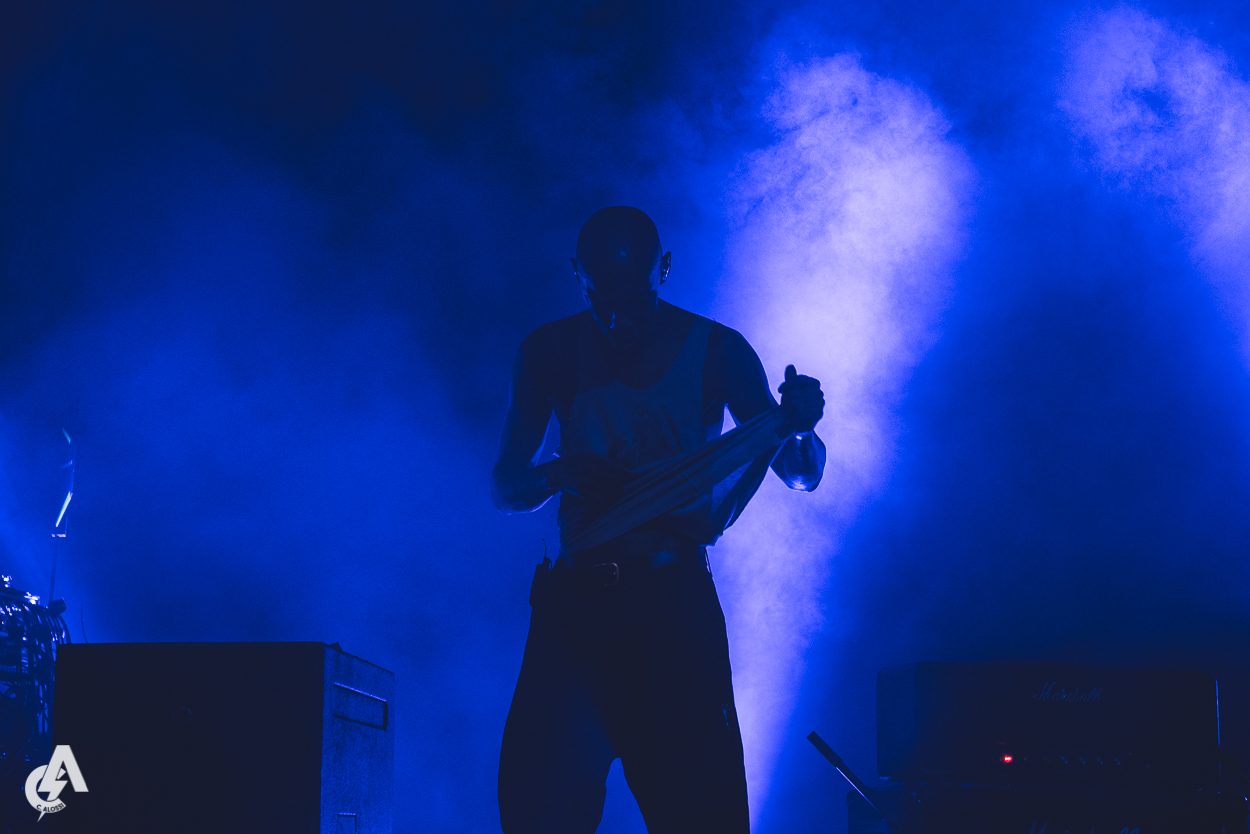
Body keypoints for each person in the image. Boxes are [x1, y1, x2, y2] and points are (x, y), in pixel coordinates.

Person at [492, 206, 826, 833]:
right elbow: (505, 487)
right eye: (600, 301)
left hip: (672, 605)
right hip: (576, 610)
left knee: (702, 816)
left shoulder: (718, 351)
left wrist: (801, 427)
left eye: (634, 301)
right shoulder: (548, 351)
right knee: (537, 810)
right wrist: (560, 472)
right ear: (578, 276)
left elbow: (798, 472)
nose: (617, 321)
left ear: (664, 270)